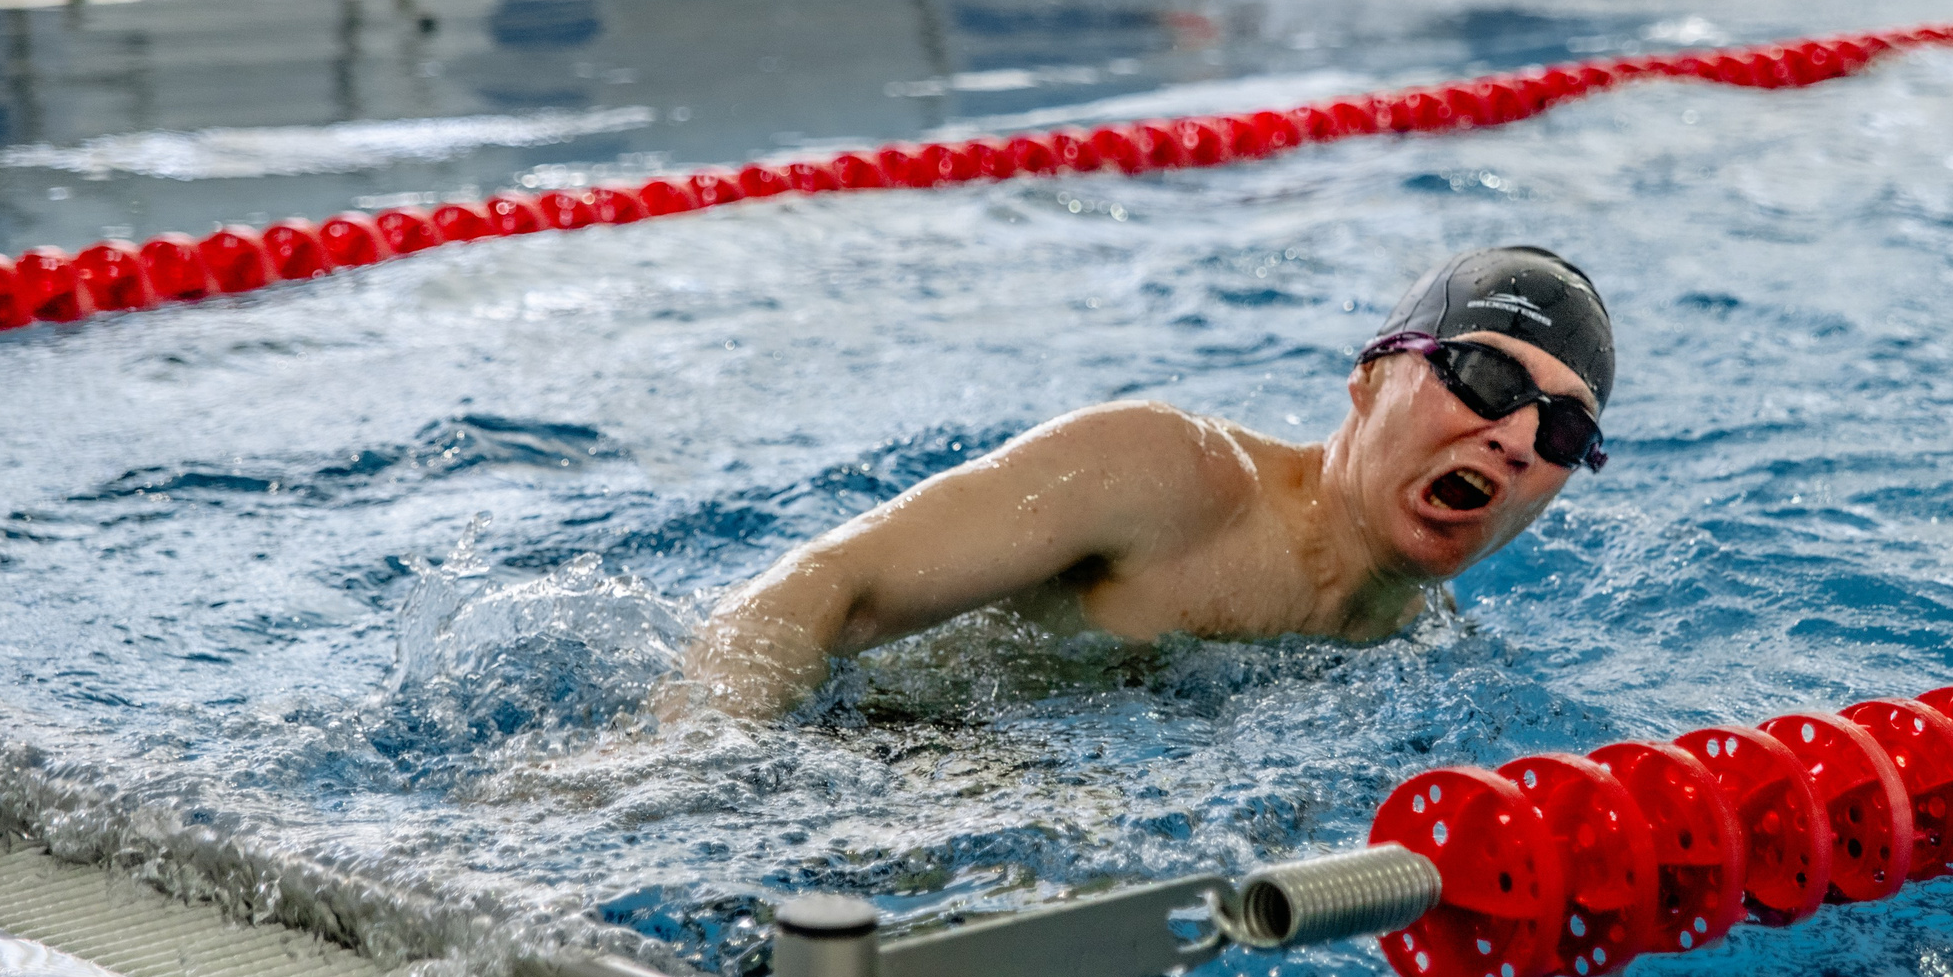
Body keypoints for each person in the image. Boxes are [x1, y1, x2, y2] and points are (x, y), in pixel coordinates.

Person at [670, 246, 1614, 716]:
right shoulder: (1165, 474)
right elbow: (820, 587)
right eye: (1488, 379)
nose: (1520, 438)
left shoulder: (1421, 647)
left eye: (1565, 428)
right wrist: (707, 759)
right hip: (864, 738)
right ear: (1369, 378)